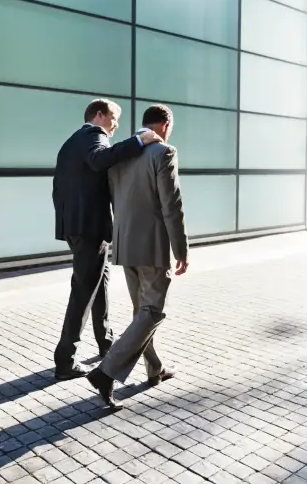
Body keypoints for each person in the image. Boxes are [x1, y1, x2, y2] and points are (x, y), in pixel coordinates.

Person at [86, 104, 189, 408]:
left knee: (140, 312)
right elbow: (172, 205)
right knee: (153, 311)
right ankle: (106, 373)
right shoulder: (164, 152)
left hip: (125, 245)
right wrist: (180, 249)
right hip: (152, 247)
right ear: (165, 126)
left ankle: (153, 368)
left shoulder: (121, 154)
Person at [52, 99, 162, 381]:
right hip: (89, 229)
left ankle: (106, 343)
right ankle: (65, 360)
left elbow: (59, 189)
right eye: (114, 118)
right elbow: (100, 159)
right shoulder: (93, 136)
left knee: (99, 285)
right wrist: (138, 141)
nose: (115, 125)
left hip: (78, 228)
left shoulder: (70, 142)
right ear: (99, 115)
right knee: (83, 293)